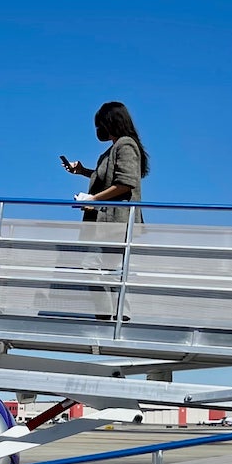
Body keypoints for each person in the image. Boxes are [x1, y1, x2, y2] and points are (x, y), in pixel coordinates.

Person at [61, 101, 150, 317]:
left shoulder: (125, 145)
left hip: (115, 221)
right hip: (108, 222)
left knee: (96, 267)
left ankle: (112, 315)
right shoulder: (115, 148)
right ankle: (113, 315)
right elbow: (109, 178)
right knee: (106, 268)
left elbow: (125, 183)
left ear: (110, 122)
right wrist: (83, 171)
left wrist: (92, 199)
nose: (98, 129)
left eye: (100, 124)